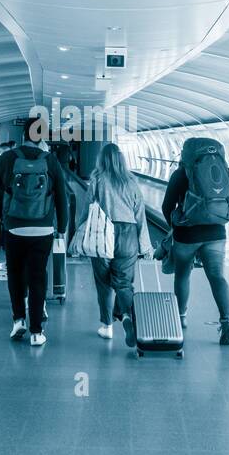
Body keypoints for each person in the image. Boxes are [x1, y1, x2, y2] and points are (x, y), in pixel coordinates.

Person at [0, 119, 69, 347]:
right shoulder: (50, 161)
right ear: (42, 137)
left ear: (23, 135)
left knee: (15, 273)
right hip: (42, 228)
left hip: (14, 226)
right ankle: (36, 332)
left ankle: (18, 319)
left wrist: (9, 201)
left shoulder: (7, 158)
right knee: (38, 276)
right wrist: (61, 227)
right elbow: (62, 197)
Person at [161, 139, 229, 345]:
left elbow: (166, 205)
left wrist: (174, 226)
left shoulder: (180, 174)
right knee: (217, 276)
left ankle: (180, 316)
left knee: (183, 274)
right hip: (216, 232)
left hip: (188, 234)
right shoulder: (220, 171)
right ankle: (227, 322)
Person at [81, 143, 153, 341]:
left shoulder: (97, 179)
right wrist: (145, 246)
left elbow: (87, 210)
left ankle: (107, 326)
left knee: (104, 283)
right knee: (123, 283)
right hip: (128, 234)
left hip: (102, 233)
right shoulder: (131, 181)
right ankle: (129, 317)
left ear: (101, 159)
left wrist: (78, 238)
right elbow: (141, 216)